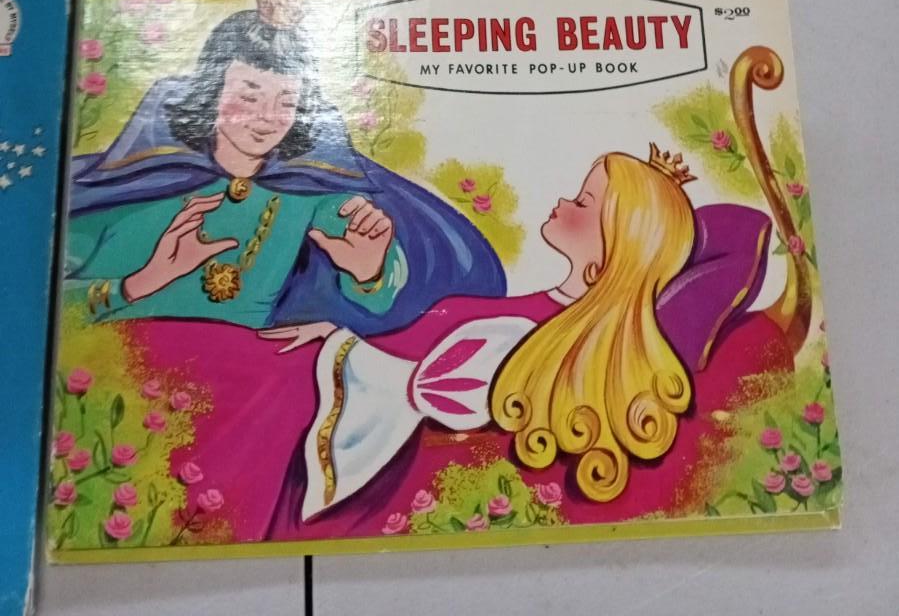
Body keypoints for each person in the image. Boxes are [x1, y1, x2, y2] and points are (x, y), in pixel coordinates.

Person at [131, 145, 783, 542]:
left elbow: (437, 383)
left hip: (329, 392)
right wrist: (350, 310)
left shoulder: (542, 334)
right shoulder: (533, 313)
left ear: (612, 246)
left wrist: (346, 346)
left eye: (585, 201)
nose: (564, 202)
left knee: (213, 373)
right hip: (329, 364)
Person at [66, 0, 505, 333]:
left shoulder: (311, 190)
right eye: (249, 96)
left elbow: (378, 297)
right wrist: (141, 282)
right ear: (211, 92)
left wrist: (369, 271)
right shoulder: (134, 182)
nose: (267, 119)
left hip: (245, 380)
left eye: (287, 102)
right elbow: (44, 304)